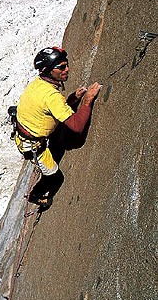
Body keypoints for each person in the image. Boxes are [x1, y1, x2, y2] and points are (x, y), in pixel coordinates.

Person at [13, 46, 102, 209]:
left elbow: (51, 108)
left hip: (27, 132)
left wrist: (73, 99)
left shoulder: (39, 84)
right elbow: (77, 126)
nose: (67, 69)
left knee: (57, 137)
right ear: (48, 71)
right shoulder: (51, 96)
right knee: (55, 178)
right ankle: (35, 196)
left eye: (66, 64)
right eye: (61, 67)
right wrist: (87, 100)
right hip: (33, 145)